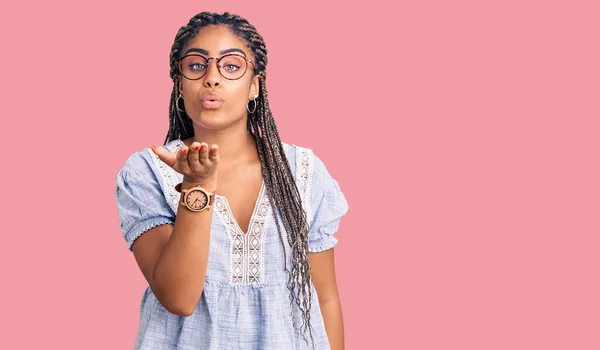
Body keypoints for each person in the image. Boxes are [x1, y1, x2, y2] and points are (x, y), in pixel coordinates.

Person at [115, 11, 349, 350]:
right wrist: (198, 186)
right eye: (196, 66)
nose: (212, 78)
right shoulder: (147, 172)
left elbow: (325, 298)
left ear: (254, 85)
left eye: (231, 65)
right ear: (179, 84)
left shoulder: (304, 173)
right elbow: (180, 298)